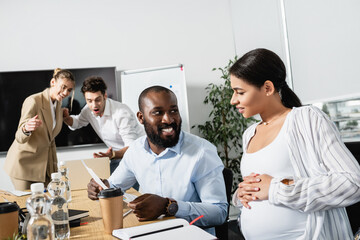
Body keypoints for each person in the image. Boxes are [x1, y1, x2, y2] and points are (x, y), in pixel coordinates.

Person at [230, 48, 360, 239]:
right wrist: (242, 194)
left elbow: (352, 183)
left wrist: (277, 189)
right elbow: (267, 185)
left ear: (267, 88)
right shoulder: (249, 133)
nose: (233, 100)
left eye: (239, 92)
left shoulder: (307, 119)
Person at [87, 86, 228, 234]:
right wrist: (101, 187)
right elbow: (114, 186)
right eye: (158, 113)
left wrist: (169, 206)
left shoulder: (202, 152)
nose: (168, 119)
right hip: (151, 233)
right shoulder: (135, 151)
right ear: (141, 118)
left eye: (173, 110)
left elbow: (219, 212)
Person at [4, 68, 75, 190]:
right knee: (27, 206)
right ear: (53, 82)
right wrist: (26, 129)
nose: (65, 92)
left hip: (45, 169)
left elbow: (49, 139)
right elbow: (19, 137)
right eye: (63, 87)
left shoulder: (58, 105)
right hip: (24, 166)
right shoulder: (33, 101)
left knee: (46, 206)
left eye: (69, 90)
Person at [63, 76, 144, 174]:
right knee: (108, 185)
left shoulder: (121, 113)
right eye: (89, 100)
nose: (94, 105)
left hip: (136, 155)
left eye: (98, 100)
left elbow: (131, 148)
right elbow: (77, 122)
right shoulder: (88, 110)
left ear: (105, 96)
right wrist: (67, 119)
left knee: (123, 188)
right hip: (115, 157)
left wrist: (112, 154)